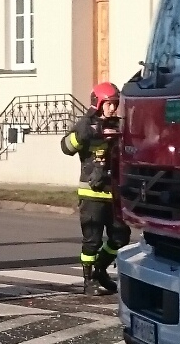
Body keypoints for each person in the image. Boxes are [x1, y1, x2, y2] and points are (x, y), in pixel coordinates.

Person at [60, 82, 131, 296]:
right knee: (92, 240)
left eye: (116, 104)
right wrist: (83, 131)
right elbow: (66, 147)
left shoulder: (119, 125)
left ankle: (100, 269)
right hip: (92, 193)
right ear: (99, 103)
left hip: (114, 193)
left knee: (121, 236)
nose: (113, 108)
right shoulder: (86, 126)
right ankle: (88, 280)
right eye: (110, 103)